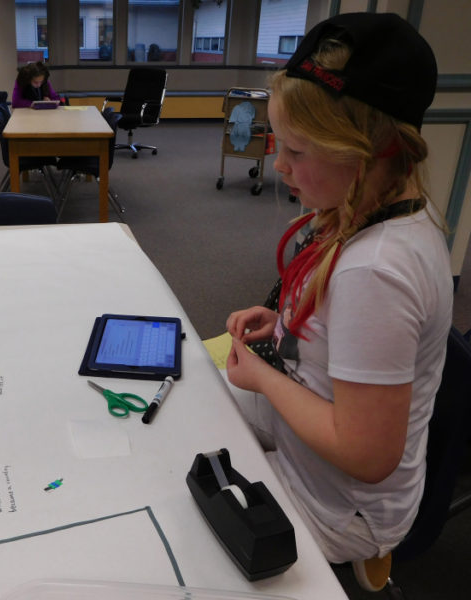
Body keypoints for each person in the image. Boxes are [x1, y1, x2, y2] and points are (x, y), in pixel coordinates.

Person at [224, 12, 452, 591]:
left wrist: (265, 378)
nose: (279, 165)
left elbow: (365, 452)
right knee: (195, 403)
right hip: (310, 439)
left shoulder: (378, 268)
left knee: (192, 500)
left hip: (340, 507)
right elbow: (349, 327)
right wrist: (289, 322)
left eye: (298, 151)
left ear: (373, 151)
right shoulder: (378, 212)